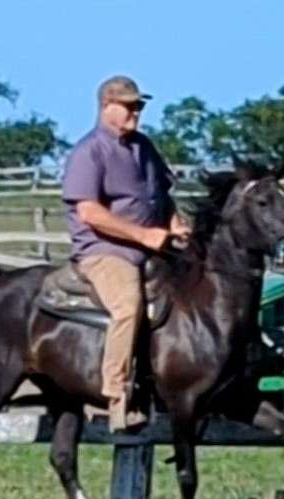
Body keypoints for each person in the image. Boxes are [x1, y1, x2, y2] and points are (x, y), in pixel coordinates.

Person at [62, 75, 190, 432]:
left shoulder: (144, 147)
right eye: (130, 105)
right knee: (127, 306)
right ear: (107, 106)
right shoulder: (89, 152)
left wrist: (176, 224)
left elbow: (162, 196)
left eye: (140, 105)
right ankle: (115, 397)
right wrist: (142, 235)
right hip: (106, 250)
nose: (137, 111)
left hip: (153, 244)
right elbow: (89, 212)